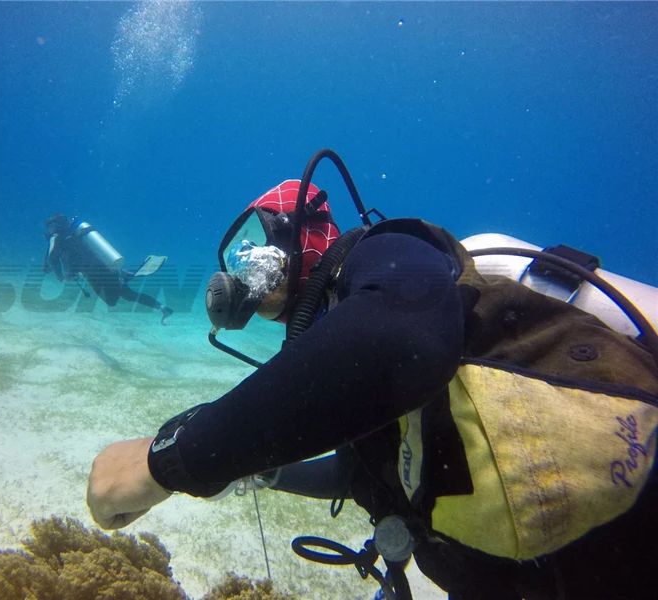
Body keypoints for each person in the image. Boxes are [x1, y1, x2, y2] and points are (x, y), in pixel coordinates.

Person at [86, 150, 658, 599]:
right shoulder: (341, 352)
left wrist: (171, 459)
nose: (245, 273)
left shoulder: (388, 254)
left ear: (299, 238)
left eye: (256, 248)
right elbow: (362, 472)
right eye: (239, 260)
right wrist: (263, 471)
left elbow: (399, 343)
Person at [43, 213, 174, 324]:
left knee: (112, 301)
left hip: (93, 273)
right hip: (105, 266)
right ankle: (162, 307)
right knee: (128, 295)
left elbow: (52, 258)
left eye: (49, 226)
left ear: (54, 226)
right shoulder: (76, 234)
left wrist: (60, 277)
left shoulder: (56, 238)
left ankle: (125, 278)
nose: (49, 230)